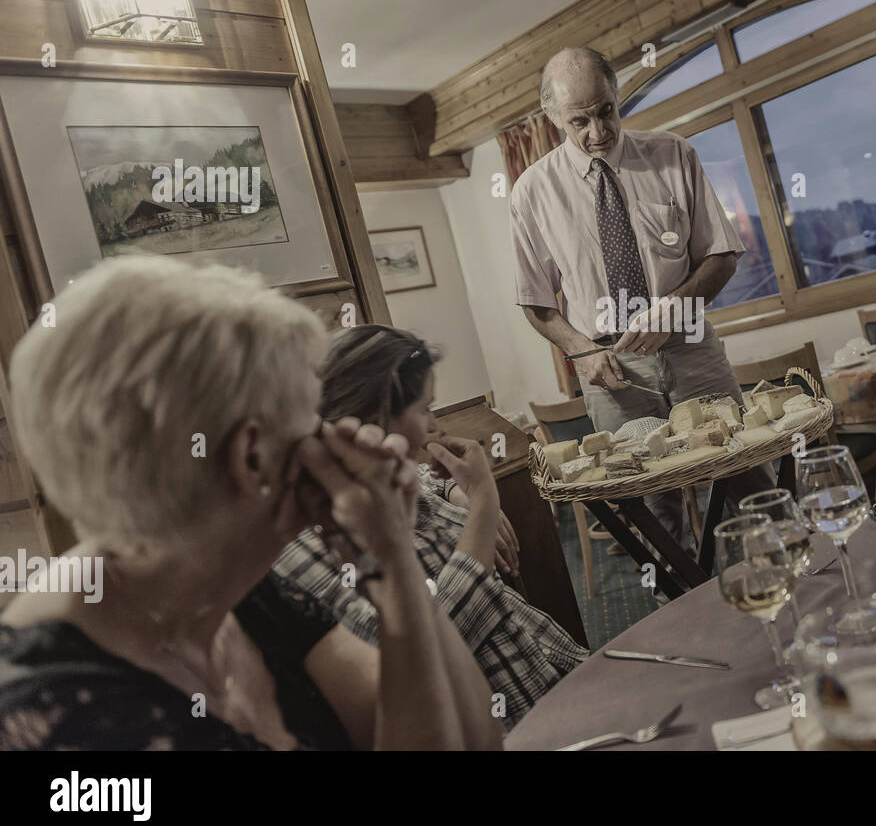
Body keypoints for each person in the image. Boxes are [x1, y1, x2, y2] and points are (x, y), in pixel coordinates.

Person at [0, 256, 502, 750]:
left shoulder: (242, 594)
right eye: (313, 418)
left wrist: (395, 569)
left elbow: (475, 738)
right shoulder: (61, 722)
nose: (337, 437)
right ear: (254, 458)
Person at [274, 325, 587, 731]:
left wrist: (456, 491)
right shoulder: (305, 544)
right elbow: (427, 654)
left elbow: (428, 482)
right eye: (423, 409)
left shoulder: (379, 475)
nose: (433, 426)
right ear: (374, 416)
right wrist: (482, 505)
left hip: (551, 677)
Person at [510, 45, 754, 552]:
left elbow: (722, 256)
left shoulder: (673, 154)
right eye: (579, 120)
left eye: (606, 112)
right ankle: (682, 611)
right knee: (652, 511)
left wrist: (675, 307)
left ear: (617, 98)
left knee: (746, 477)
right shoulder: (532, 192)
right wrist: (580, 350)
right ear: (552, 117)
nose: (597, 133)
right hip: (611, 367)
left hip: (691, 346)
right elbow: (536, 301)